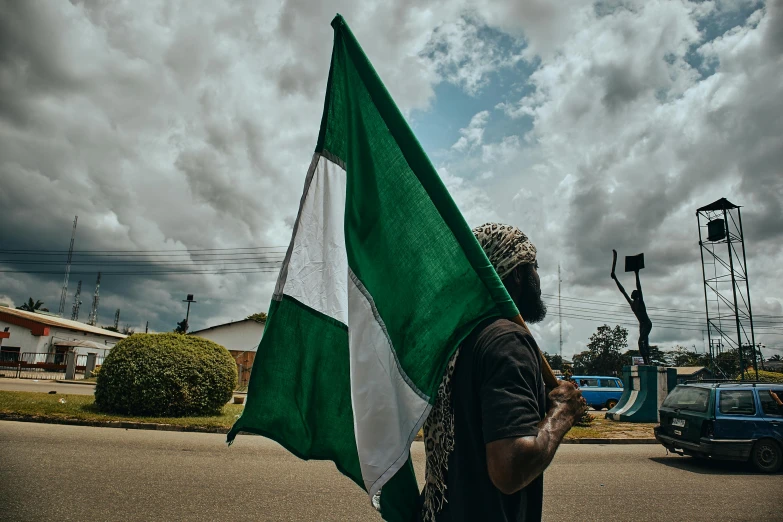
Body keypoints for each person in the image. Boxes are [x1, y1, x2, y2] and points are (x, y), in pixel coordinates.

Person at [419, 223, 586, 522]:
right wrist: (562, 413)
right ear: (518, 272)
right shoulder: (507, 340)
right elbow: (509, 469)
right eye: (534, 265)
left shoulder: (456, 340)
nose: (538, 276)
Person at [611, 250, 653, 365]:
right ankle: (647, 360)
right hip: (642, 324)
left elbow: (639, 287)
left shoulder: (641, 302)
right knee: (644, 342)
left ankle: (647, 360)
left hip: (647, 323)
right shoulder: (632, 303)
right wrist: (615, 279)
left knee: (641, 341)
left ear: (637, 295)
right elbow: (622, 290)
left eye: (634, 293)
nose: (632, 293)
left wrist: (636, 274)